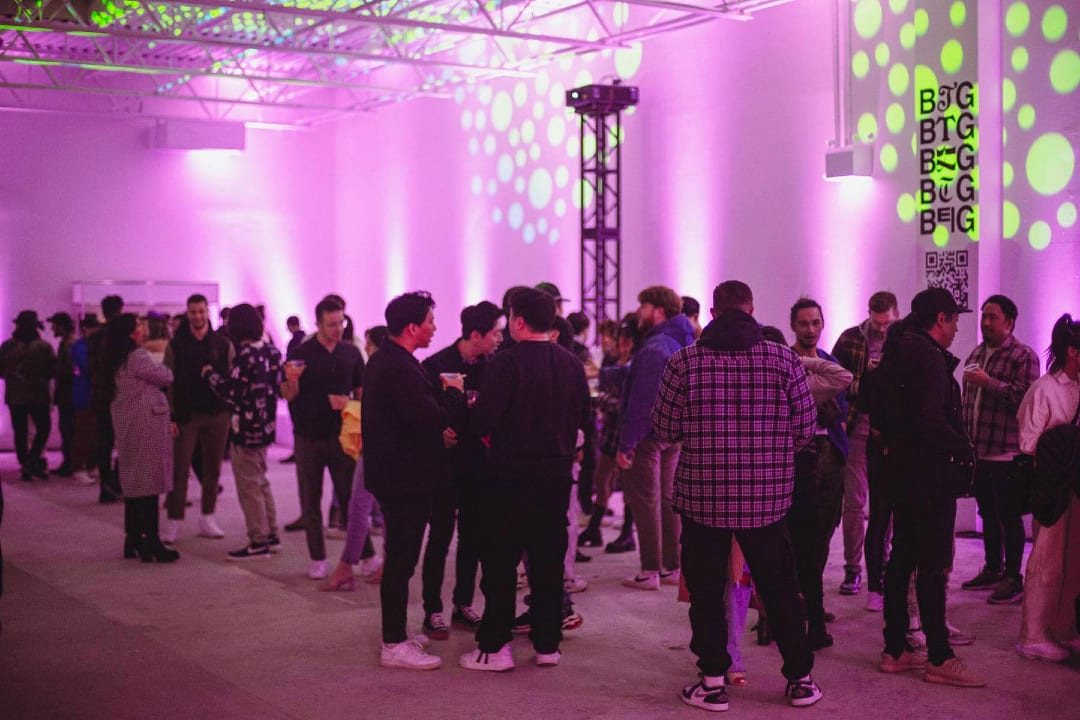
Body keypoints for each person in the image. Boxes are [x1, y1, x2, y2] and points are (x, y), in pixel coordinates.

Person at [653, 280, 821, 711]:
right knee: (780, 589)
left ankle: (712, 682)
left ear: (712, 312)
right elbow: (806, 429)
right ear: (751, 310)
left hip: (702, 499)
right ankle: (800, 679)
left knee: (707, 593)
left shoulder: (682, 363)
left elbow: (665, 430)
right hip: (766, 500)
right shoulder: (784, 360)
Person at [459, 288, 590, 672]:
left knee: (500, 566)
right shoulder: (571, 363)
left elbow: (483, 420)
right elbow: (583, 419)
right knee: (548, 566)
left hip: (509, 479)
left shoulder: (506, 363)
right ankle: (548, 644)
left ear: (517, 321)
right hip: (555, 478)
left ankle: (495, 647)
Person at [873, 287, 985, 687]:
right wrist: (963, 447)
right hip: (930, 475)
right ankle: (939, 654)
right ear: (941, 318)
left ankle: (896, 648)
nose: (957, 329)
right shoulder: (928, 358)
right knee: (932, 566)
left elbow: (881, 407)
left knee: (902, 557)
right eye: (954, 320)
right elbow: (931, 418)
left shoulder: (897, 351)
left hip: (902, 472)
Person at [363, 291, 461, 670]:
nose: (435, 328)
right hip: (404, 480)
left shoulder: (390, 360)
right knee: (401, 562)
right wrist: (453, 396)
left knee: (401, 560)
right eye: (431, 321)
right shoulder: (398, 367)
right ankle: (392, 643)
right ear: (412, 327)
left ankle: (398, 634)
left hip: (397, 476)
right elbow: (430, 419)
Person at [419, 301, 503, 637]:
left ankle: (463, 603)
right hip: (443, 466)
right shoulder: (434, 366)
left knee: (473, 537)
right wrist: (437, 432)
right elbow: (422, 414)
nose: (499, 338)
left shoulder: (494, 367)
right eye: (495, 333)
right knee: (440, 536)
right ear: (475, 334)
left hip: (479, 467)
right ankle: (432, 610)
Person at [959, 295, 1040, 604]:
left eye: (993, 317)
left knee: (1009, 515)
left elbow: (1024, 399)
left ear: (1010, 322)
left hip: (1006, 451)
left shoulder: (1024, 356)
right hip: (978, 450)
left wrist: (988, 382)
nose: (986, 322)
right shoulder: (977, 352)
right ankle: (993, 568)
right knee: (987, 514)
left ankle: (1013, 577)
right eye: (984, 316)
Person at [616, 286, 695, 590]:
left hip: (650, 435)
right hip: (676, 432)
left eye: (643, 306)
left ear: (658, 311)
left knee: (646, 501)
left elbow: (642, 402)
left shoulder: (654, 348)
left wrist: (627, 444)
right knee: (668, 499)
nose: (639, 313)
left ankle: (650, 569)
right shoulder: (683, 340)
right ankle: (672, 567)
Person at [282, 297, 365, 580]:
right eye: (331, 324)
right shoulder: (302, 351)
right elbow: (288, 394)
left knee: (350, 498)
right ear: (318, 323)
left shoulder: (351, 353)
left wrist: (350, 405)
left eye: (341, 322)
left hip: (342, 436)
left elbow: (361, 392)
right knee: (310, 498)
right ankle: (317, 558)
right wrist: (292, 380)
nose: (338, 328)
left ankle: (365, 555)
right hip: (308, 436)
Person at [1014, 313, 1080, 662]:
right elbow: (1028, 444)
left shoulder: (1076, 387)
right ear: (1073, 352)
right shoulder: (1044, 389)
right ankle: (1033, 635)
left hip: (1072, 488)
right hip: (1050, 488)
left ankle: (1063, 627)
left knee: (1070, 562)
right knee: (1045, 560)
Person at [787, 298, 849, 650]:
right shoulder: (784, 360)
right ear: (793, 325)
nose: (810, 329)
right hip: (799, 455)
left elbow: (839, 410)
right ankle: (797, 603)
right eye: (804, 323)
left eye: (815, 323)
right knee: (797, 536)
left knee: (825, 532)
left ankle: (811, 601)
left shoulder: (830, 361)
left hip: (832, 453)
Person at [831, 291, 901, 599]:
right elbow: (835, 381)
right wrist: (865, 381)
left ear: (895, 315)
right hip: (858, 424)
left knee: (886, 503)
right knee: (855, 502)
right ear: (868, 314)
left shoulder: (903, 340)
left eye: (887, 323)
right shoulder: (849, 339)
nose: (882, 329)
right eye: (877, 323)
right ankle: (852, 568)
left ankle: (881, 562)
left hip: (890, 430)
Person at [205, 304, 284, 560]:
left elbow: (233, 392)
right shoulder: (271, 352)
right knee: (261, 481)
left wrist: (210, 376)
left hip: (246, 429)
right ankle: (272, 535)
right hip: (266, 426)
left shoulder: (245, 355)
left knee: (248, 486)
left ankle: (258, 540)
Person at [105, 314, 178, 563]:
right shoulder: (137, 356)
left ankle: (134, 537)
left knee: (136, 482)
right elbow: (165, 376)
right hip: (146, 424)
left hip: (129, 423)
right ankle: (152, 541)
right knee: (150, 483)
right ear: (129, 332)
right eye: (138, 325)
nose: (142, 328)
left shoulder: (116, 358)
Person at [163, 294, 235, 542]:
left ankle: (208, 517)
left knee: (212, 469)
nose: (197, 316)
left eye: (201, 311)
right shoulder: (176, 346)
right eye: (193, 312)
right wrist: (170, 415)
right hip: (186, 415)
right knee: (180, 469)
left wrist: (231, 411)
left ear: (208, 312)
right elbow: (168, 383)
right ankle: (174, 520)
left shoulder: (222, 344)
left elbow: (231, 379)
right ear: (187, 313)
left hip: (218, 414)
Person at [0, 311, 57, 481]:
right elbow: (52, 370)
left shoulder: (7, 346)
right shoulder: (43, 347)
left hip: (15, 395)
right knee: (43, 428)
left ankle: (25, 461)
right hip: (38, 394)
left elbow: (1, 371)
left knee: (20, 430)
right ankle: (33, 460)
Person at [70, 315, 101, 486]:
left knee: (94, 433)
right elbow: (88, 367)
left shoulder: (92, 346)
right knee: (83, 432)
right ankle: (78, 467)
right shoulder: (80, 347)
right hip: (83, 395)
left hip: (93, 395)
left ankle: (90, 464)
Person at [48, 312, 77, 477]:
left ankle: (70, 463)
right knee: (67, 429)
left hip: (68, 394)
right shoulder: (67, 343)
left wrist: (53, 369)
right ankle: (69, 462)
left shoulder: (68, 345)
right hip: (68, 394)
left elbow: (67, 370)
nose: (52, 327)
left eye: (55, 324)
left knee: (68, 429)